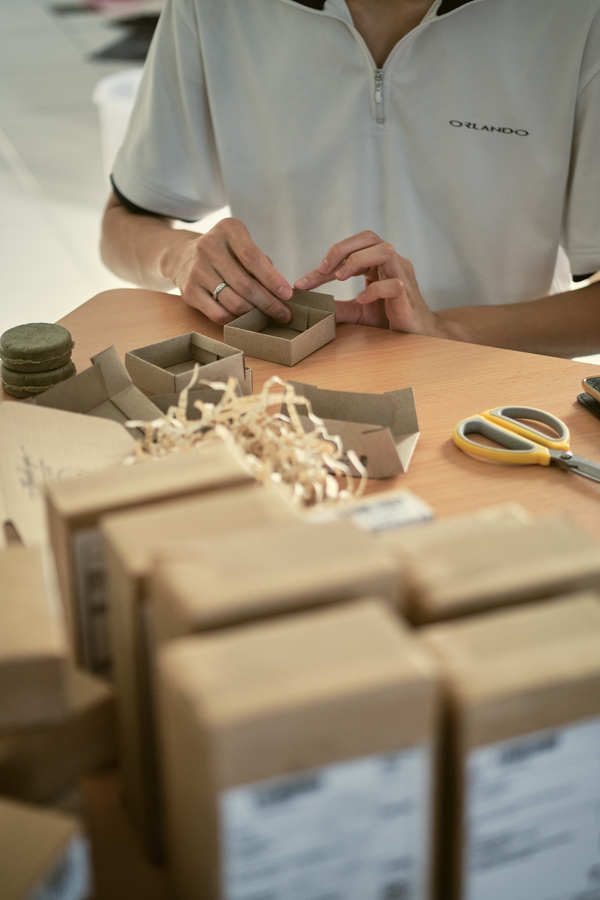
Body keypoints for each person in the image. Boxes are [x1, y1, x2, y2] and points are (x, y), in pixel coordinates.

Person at [101, 0, 600, 358]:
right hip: (290, 397)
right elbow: (123, 225)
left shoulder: (576, 17)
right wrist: (181, 256)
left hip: (499, 396)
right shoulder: (215, 10)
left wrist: (447, 330)